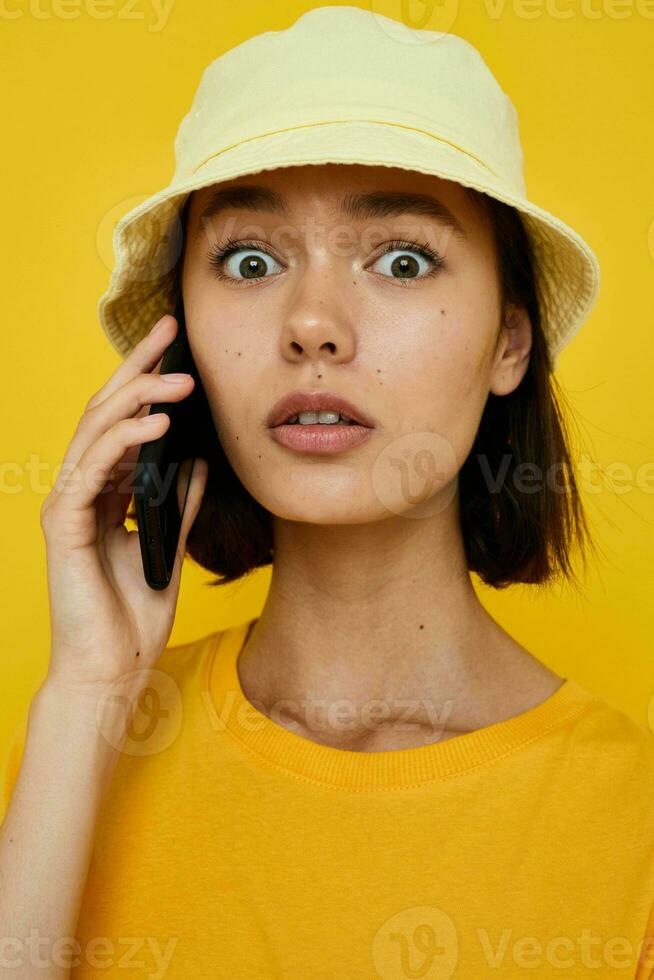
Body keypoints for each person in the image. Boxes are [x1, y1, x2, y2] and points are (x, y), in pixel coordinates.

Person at [2, 7, 654, 978]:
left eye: (400, 258)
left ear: (510, 341)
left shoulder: (630, 814)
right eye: (251, 260)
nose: (312, 324)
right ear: (179, 340)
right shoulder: (80, 741)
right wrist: (85, 695)